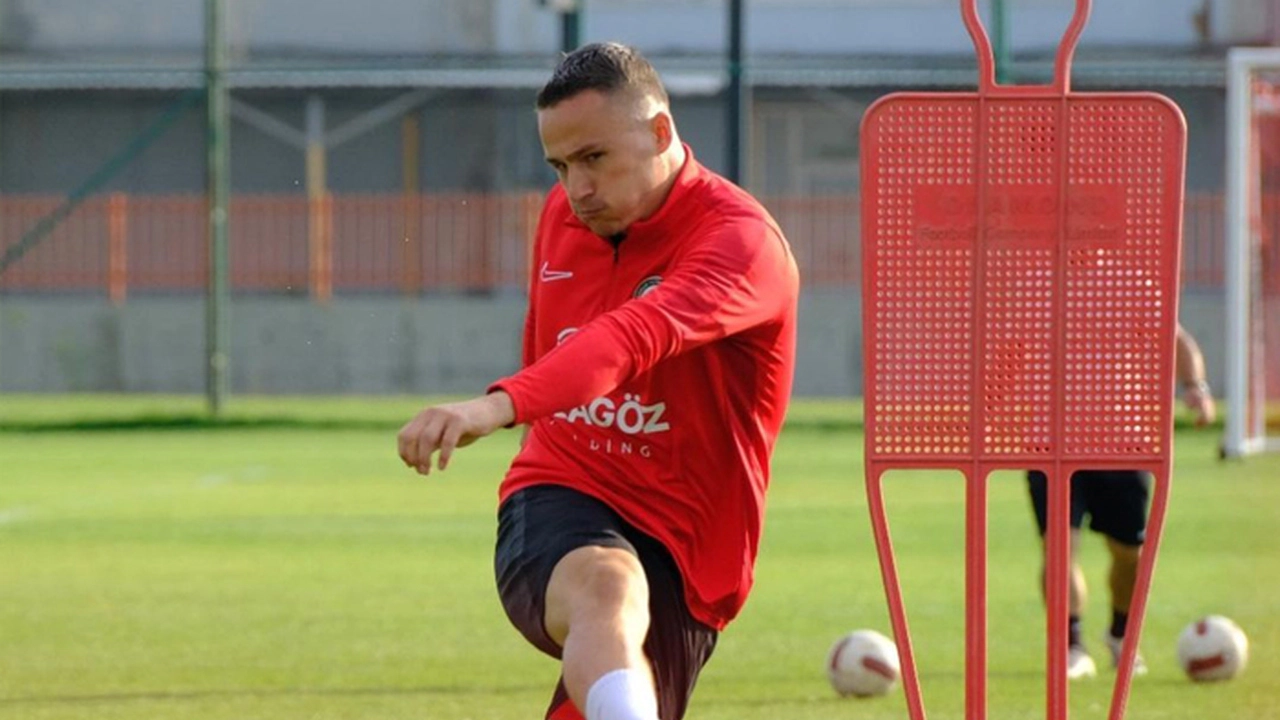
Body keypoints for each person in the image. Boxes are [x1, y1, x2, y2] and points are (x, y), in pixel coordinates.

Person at [396, 42, 799, 720]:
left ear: (660, 132)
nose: (575, 188)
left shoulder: (741, 244)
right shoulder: (564, 216)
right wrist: (520, 411)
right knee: (606, 587)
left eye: (593, 158)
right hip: (563, 491)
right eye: (559, 166)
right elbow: (546, 341)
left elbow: (631, 337)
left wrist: (496, 405)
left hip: (688, 546)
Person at [1028, 323, 1217, 680]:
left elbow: (1177, 338)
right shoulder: (1037, 290)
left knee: (1129, 555)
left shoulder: (1135, 288)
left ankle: (1119, 634)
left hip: (1123, 441)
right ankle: (1071, 646)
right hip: (1051, 441)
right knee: (1058, 549)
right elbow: (1006, 346)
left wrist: (1196, 387)